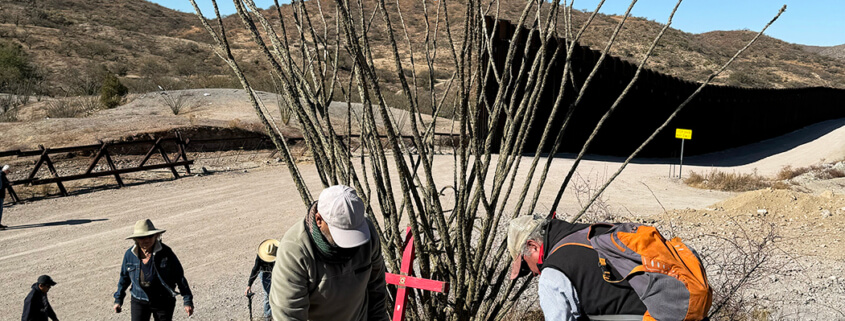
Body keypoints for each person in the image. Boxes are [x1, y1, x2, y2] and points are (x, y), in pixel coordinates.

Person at [270, 185, 388, 321]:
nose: (350, 246)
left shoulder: (367, 233)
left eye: (354, 234)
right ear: (319, 220)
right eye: (342, 235)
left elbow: (377, 289)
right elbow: (288, 315)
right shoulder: (295, 251)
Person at [507, 215, 646, 321]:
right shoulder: (589, 233)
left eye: (525, 265)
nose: (533, 274)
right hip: (662, 303)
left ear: (533, 246)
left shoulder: (552, 274)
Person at [113, 219, 194, 321]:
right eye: (141, 237)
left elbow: (179, 276)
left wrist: (187, 301)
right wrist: (118, 300)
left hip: (163, 301)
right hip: (139, 300)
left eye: (150, 236)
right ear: (136, 239)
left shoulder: (166, 253)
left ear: (156, 236)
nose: (146, 240)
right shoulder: (129, 255)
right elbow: (124, 278)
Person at [245, 239, 278, 321]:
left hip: (277, 273)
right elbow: (255, 270)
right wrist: (249, 285)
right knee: (268, 295)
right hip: (265, 274)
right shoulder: (260, 257)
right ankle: (268, 318)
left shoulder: (279, 254)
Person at [1, 164, 10, 229]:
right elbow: (0, 186)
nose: (8, 173)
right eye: (8, 171)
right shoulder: (1, 175)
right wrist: (7, 184)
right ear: (6, 170)